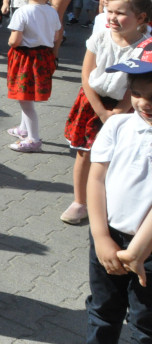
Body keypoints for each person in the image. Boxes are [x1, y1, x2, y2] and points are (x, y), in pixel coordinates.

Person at [62, 0, 150, 226]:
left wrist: (120, 111)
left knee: (121, 157)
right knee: (85, 153)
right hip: (93, 102)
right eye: (110, 10)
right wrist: (101, 111)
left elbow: (138, 82)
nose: (112, 17)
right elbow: (87, 74)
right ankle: (80, 202)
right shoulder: (101, 36)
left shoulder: (146, 45)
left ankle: (113, 203)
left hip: (128, 106)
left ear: (140, 17)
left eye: (120, 13)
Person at [84, 52, 152, 342]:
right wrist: (100, 237)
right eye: (136, 93)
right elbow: (96, 179)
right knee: (102, 312)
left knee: (144, 324)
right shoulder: (117, 125)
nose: (144, 103)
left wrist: (138, 250)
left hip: (147, 249)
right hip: (109, 238)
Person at [6, 0, 61, 153]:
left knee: (25, 100)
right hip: (44, 56)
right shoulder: (52, 12)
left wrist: (11, 42)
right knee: (27, 96)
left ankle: (33, 138)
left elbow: (15, 40)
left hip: (25, 58)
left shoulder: (22, 12)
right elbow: (55, 37)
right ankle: (23, 129)